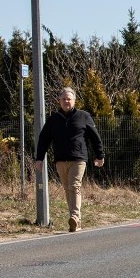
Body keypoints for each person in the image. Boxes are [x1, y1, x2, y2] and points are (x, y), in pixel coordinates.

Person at [35, 87, 105, 232]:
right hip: (60, 160)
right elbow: (44, 139)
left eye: (69, 99)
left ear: (74, 100)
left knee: (74, 186)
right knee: (68, 189)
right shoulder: (53, 119)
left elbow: (95, 137)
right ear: (59, 101)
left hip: (78, 159)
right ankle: (76, 221)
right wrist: (39, 158)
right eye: (64, 99)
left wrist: (100, 155)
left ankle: (75, 217)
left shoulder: (83, 116)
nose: (66, 101)